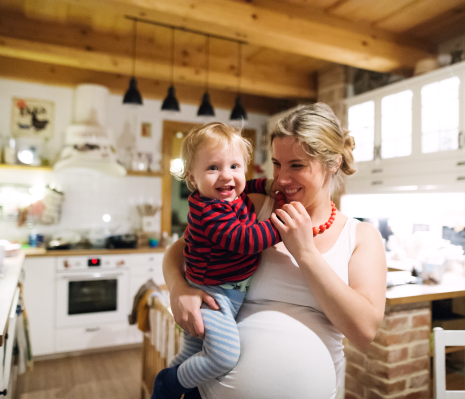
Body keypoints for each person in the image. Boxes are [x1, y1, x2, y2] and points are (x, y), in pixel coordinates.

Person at [163, 103, 387, 399]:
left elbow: (364, 331)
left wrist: (306, 253)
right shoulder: (254, 206)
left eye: (296, 165)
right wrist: (179, 288)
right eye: (277, 164)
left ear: (332, 163)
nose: (280, 179)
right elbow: (180, 249)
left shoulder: (361, 236)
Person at [152, 122, 282, 399]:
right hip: (212, 295)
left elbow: (248, 186)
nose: (227, 177)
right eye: (213, 168)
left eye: (235, 166)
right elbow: (244, 241)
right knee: (223, 357)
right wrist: (280, 226)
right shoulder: (209, 211)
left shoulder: (232, 195)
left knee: (190, 352)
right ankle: (169, 383)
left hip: (221, 293)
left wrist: (269, 185)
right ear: (192, 177)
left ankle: (165, 393)